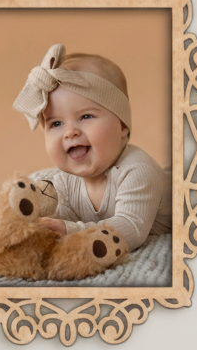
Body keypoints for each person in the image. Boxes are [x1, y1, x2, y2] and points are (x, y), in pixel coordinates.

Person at [12, 43, 171, 251]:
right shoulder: (67, 181)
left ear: (122, 125)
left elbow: (130, 229)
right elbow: (48, 197)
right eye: (56, 123)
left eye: (86, 116)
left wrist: (69, 230)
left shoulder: (137, 171)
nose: (70, 132)